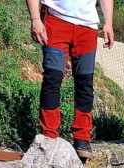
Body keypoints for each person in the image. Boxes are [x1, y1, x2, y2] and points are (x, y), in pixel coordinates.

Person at [27, 0, 115, 159]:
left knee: (85, 82)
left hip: (87, 26)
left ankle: (82, 138)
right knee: (52, 79)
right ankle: (49, 135)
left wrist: (108, 22)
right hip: (55, 19)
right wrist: (35, 19)